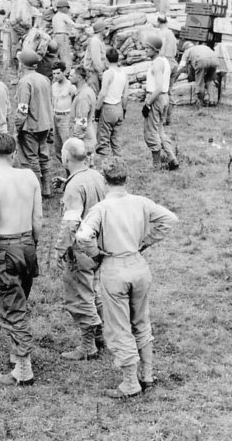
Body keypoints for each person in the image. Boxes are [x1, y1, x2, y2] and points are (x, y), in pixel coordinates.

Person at [75, 157, 177, 398]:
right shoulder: (141, 202)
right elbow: (170, 219)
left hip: (114, 268)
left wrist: (95, 254)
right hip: (138, 266)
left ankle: (130, 383)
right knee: (141, 321)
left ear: (104, 180)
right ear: (125, 178)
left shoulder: (101, 208)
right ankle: (148, 375)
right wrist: (145, 242)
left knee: (119, 326)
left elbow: (82, 236)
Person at [0, 134, 43, 386]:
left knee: (13, 307)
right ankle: (17, 353)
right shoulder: (29, 177)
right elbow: (38, 218)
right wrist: (33, 244)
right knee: (20, 299)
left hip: (4, 248)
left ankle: (23, 369)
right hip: (27, 243)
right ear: (14, 154)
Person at [54, 138, 107, 360]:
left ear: (66, 157)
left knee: (79, 294)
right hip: (99, 245)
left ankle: (88, 345)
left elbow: (71, 222)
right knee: (93, 290)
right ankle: (101, 335)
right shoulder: (96, 176)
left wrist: (60, 249)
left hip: (81, 249)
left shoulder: (75, 187)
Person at [15, 48, 55, 197]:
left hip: (30, 126)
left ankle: (36, 189)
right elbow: (50, 102)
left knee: (32, 158)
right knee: (43, 156)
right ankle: (47, 188)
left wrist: (17, 127)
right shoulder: (44, 79)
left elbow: (22, 109)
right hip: (45, 124)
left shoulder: (25, 82)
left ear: (22, 65)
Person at [142, 35, 179, 170]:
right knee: (160, 129)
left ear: (155, 49)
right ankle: (172, 158)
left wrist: (148, 103)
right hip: (164, 98)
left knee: (151, 131)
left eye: (148, 48)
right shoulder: (164, 60)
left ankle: (156, 165)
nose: (145, 50)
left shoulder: (157, 63)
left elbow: (157, 86)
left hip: (156, 97)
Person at [95, 47, 128, 157]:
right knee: (116, 142)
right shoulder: (124, 74)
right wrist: (123, 110)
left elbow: (102, 93)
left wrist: (97, 109)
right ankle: (120, 168)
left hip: (108, 107)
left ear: (106, 59)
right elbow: (126, 96)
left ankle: (108, 167)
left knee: (103, 143)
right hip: (119, 108)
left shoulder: (108, 73)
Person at [178, 41, 221, 107]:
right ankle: (212, 101)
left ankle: (200, 101)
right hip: (215, 60)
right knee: (209, 80)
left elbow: (181, 66)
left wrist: (174, 75)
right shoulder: (202, 46)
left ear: (185, 49)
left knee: (200, 82)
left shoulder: (187, 51)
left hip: (201, 60)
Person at [50, 62, 77, 165]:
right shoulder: (54, 86)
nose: (56, 76)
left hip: (66, 116)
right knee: (57, 145)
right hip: (55, 116)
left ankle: (71, 165)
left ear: (63, 72)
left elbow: (74, 102)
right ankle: (63, 165)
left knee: (67, 143)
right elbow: (52, 102)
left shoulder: (70, 86)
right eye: (54, 74)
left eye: (58, 73)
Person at [69, 64, 98, 156]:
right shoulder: (85, 91)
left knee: (84, 164)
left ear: (79, 77)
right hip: (87, 134)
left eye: (71, 76)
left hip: (84, 138)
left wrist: (75, 140)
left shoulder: (83, 96)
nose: (69, 78)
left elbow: (82, 121)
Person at [158, 15, 179, 124]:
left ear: (158, 23)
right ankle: (168, 118)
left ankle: (162, 118)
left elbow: (161, 50)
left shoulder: (162, 33)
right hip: (173, 62)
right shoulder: (171, 33)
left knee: (162, 91)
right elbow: (176, 49)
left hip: (165, 62)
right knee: (169, 91)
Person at [83, 21, 108, 93]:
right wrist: (101, 74)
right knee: (94, 95)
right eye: (105, 28)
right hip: (93, 73)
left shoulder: (100, 41)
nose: (107, 30)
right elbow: (96, 61)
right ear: (101, 30)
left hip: (96, 72)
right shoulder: (95, 41)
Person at [51, 0, 76, 68]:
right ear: (63, 8)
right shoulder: (63, 15)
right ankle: (67, 70)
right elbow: (73, 25)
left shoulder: (55, 16)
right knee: (65, 55)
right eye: (67, 8)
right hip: (63, 36)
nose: (68, 10)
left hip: (55, 36)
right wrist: (84, 26)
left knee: (58, 55)